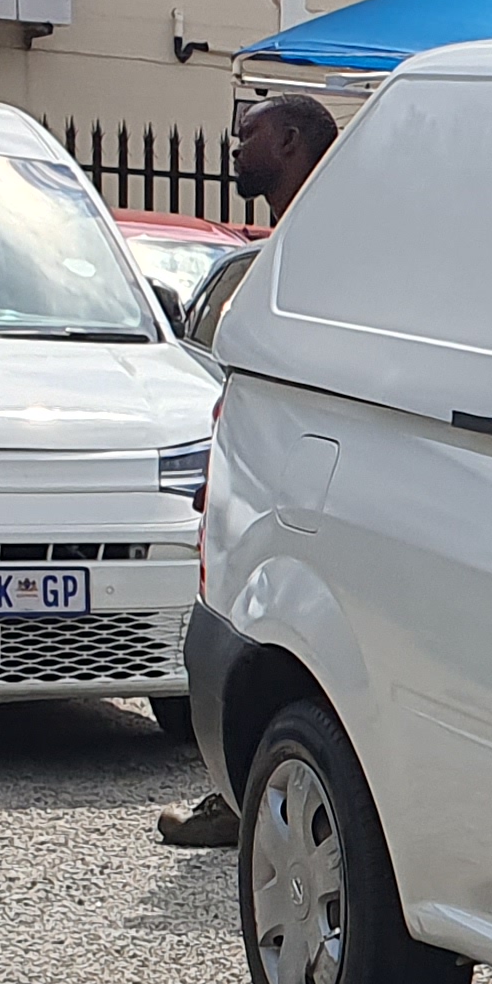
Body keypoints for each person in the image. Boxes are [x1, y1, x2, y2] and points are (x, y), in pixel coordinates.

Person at [159, 94, 341, 848]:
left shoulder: (330, 231)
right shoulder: (297, 232)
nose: (235, 150)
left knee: (281, 629)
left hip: (306, 470)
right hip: (268, 463)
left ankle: (261, 796)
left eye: (249, 136)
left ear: (291, 140)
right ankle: (246, 789)